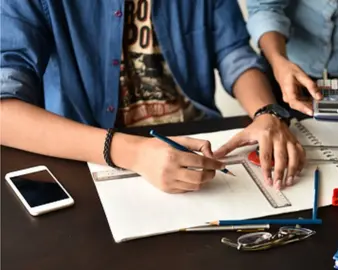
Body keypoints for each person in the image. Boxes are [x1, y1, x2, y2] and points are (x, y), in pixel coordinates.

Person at [0, 0, 305, 194]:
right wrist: (134, 153)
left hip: (198, 149)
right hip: (88, 156)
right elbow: (5, 112)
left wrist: (266, 113)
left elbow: (233, 52)